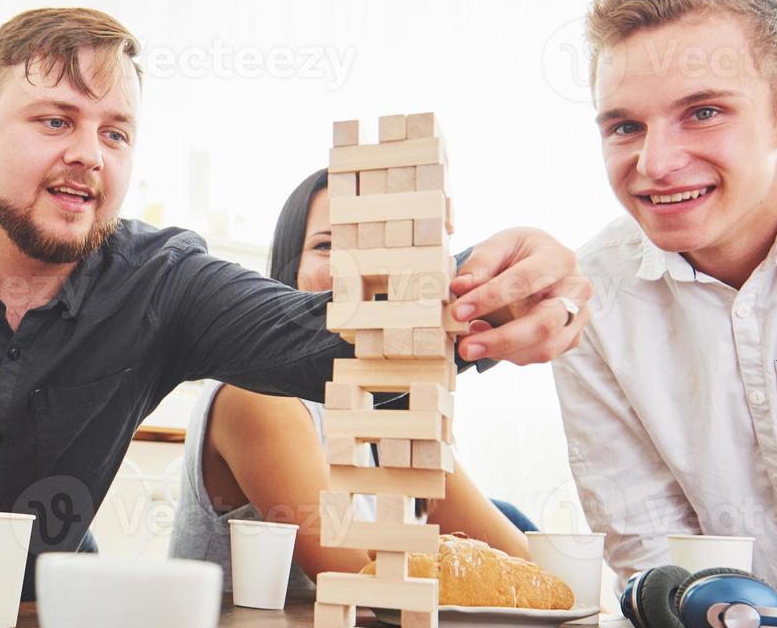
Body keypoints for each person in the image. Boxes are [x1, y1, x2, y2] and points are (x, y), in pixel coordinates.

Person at [0, 6, 590, 612]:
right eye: (55, 120)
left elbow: (315, 340)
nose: (87, 155)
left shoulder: (160, 280)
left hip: (38, 627)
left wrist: (478, 288)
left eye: (114, 133)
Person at [552, 0, 777, 592]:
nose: (655, 164)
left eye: (705, 112)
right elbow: (654, 559)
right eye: (626, 126)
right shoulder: (592, 295)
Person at [169, 169, 534, 591]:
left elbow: (521, 568)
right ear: (290, 269)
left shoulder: (391, 400)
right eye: (326, 245)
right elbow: (363, 582)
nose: (355, 268)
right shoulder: (256, 396)